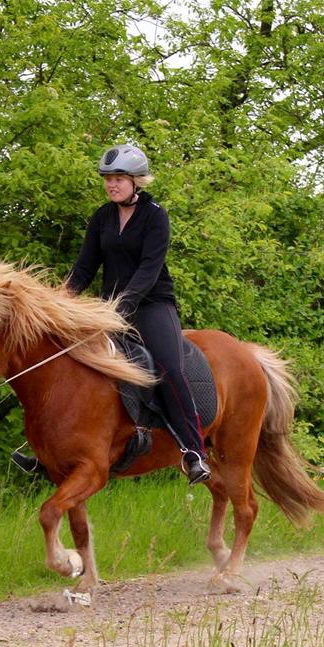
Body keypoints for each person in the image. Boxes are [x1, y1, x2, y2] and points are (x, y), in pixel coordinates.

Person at [13, 144, 211, 485]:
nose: (111, 185)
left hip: (151, 306)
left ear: (137, 181)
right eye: (107, 179)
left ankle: (193, 450)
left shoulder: (155, 216)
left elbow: (150, 269)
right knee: (67, 361)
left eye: (118, 178)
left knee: (168, 366)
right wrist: (59, 302)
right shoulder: (102, 217)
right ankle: (46, 447)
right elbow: (85, 267)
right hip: (109, 309)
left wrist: (124, 304)